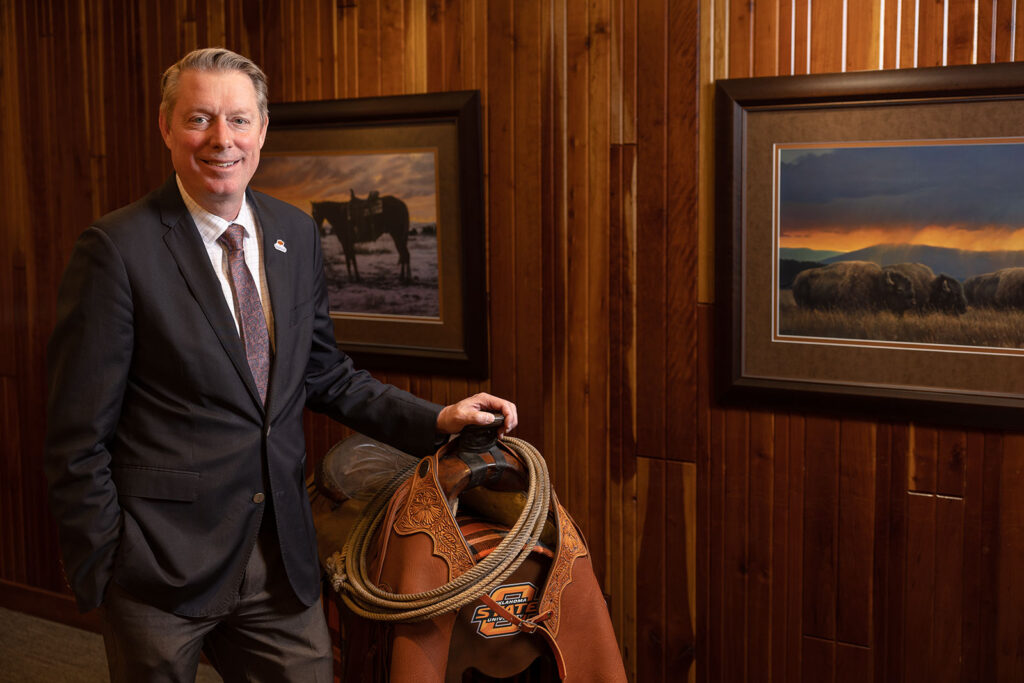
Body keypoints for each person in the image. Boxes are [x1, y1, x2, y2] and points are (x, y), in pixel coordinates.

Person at [44, 47, 516, 683]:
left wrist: (438, 417)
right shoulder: (116, 250)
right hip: (158, 566)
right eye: (199, 119)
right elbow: (76, 437)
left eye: (239, 121)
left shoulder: (292, 234)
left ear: (262, 130)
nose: (221, 140)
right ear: (166, 128)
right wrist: (107, 562)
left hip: (280, 557)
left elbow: (323, 373)